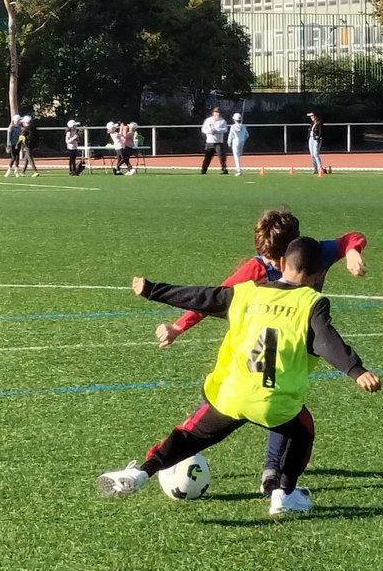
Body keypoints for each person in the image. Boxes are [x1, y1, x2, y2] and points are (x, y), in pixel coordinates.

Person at [97, 237, 382, 516]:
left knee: (187, 437)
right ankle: (285, 494)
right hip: (274, 402)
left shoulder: (247, 294)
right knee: (303, 431)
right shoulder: (312, 302)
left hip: (231, 394)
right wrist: (355, 370)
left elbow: (201, 296)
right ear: (319, 275)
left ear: (282, 263)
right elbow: (325, 341)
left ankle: (140, 472)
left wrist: (153, 289)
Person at [153, 208, 368, 496]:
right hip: (251, 346)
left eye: (272, 259)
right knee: (241, 399)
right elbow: (214, 297)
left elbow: (351, 238)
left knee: (280, 403)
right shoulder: (255, 269)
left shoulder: (313, 253)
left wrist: (353, 251)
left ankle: (271, 474)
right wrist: (180, 326)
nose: (268, 263)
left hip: (292, 344)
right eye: (265, 257)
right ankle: (188, 446)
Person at [200, 107, 229, 174]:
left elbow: (225, 129)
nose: (217, 114)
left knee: (221, 156)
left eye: (218, 112)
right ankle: (204, 170)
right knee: (207, 157)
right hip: (209, 142)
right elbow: (203, 129)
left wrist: (217, 131)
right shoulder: (208, 120)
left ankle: (224, 169)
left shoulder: (222, 121)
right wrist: (209, 131)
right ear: (213, 113)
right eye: (216, 112)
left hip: (218, 142)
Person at [228, 112, 249, 176]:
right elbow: (247, 135)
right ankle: (238, 168)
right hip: (242, 142)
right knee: (239, 156)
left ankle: (238, 170)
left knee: (236, 156)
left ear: (234, 119)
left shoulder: (233, 127)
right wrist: (243, 139)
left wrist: (229, 142)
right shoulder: (243, 126)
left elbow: (230, 135)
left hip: (235, 142)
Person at [306, 110, 325, 175]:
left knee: (315, 154)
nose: (311, 117)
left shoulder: (319, 123)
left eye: (312, 116)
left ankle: (320, 168)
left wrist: (318, 138)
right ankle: (315, 169)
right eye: (311, 116)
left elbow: (320, 131)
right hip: (311, 139)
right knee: (312, 155)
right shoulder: (312, 123)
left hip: (316, 139)